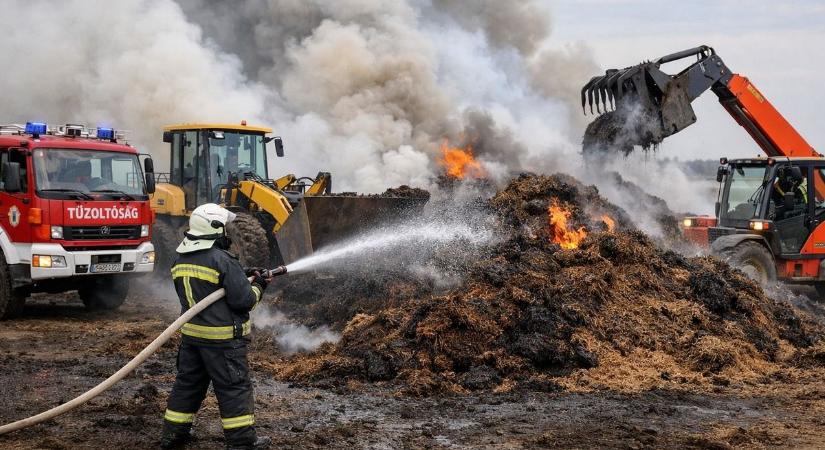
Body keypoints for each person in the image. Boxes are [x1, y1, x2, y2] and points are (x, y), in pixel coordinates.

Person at [160, 203, 272, 450]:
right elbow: (244, 300)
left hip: (192, 339)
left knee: (187, 385)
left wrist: (243, 272)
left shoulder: (181, 258)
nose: (227, 234)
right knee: (233, 389)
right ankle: (242, 443)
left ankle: (173, 435)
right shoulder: (223, 260)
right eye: (224, 228)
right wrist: (260, 285)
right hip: (223, 343)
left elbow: (210, 280)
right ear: (215, 229)